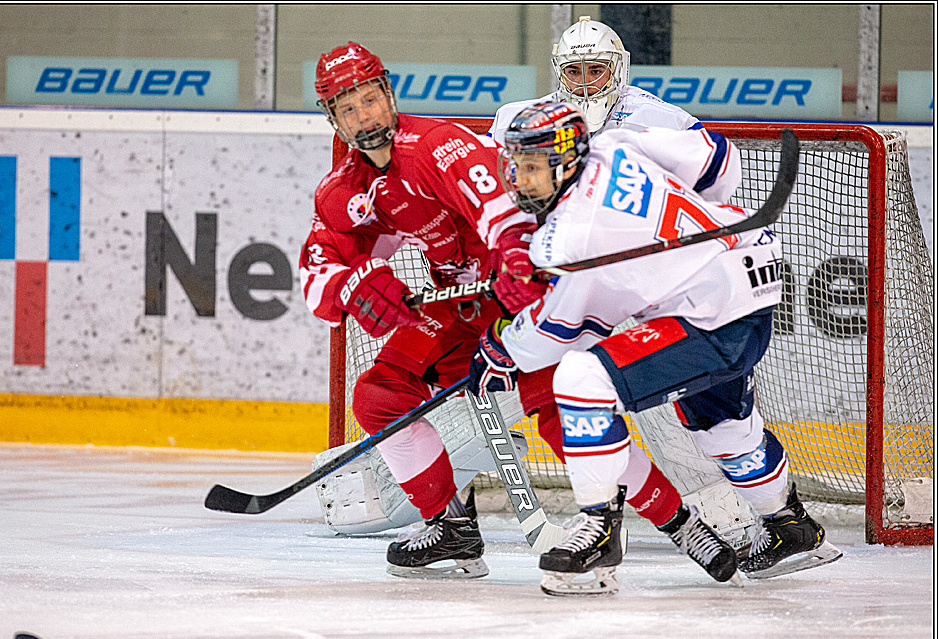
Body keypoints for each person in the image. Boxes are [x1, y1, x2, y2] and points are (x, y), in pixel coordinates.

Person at [299, 42, 722, 582]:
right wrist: (356, 284)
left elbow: (503, 211)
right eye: (348, 107)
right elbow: (317, 271)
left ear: (388, 92)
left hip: (515, 295)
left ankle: (680, 522)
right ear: (332, 117)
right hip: (457, 307)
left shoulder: (436, 145)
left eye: (369, 99)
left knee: (566, 416)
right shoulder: (344, 187)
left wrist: (519, 260)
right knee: (380, 395)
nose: (365, 116)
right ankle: (450, 526)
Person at [471, 101, 842, 596]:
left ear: (563, 161)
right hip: (750, 271)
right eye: (515, 164)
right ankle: (791, 526)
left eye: (531, 166)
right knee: (722, 428)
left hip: (710, 316)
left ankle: (598, 528)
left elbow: (562, 333)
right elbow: (719, 164)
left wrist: (501, 347)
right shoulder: (613, 143)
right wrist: (690, 229)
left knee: (581, 379)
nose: (518, 178)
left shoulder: (568, 236)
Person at [488, 16, 702, 146]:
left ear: (616, 69)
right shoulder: (513, 120)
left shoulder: (666, 121)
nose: (584, 82)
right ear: (560, 72)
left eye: (596, 70)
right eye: (573, 71)